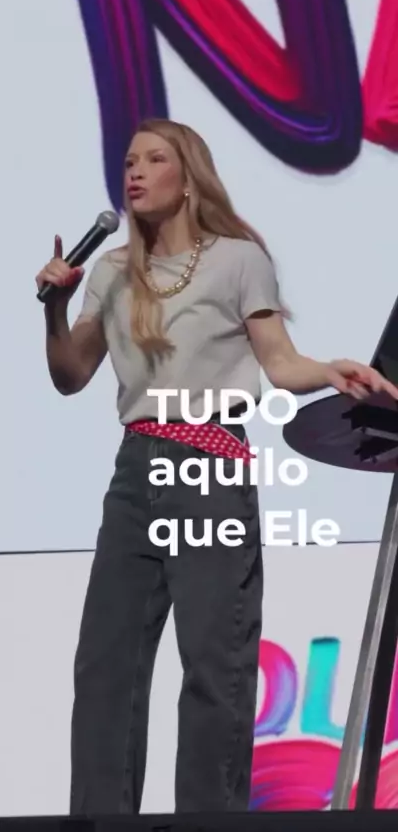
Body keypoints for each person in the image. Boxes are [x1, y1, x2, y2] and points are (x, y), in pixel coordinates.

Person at [35, 118, 398, 815]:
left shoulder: (237, 259)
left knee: (214, 662)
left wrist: (330, 370)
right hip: (136, 469)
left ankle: (210, 818)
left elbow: (280, 363)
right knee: (106, 663)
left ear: (187, 176)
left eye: (153, 160)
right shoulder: (110, 270)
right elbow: (70, 374)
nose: (135, 172)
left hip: (209, 461)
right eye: (129, 162)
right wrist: (54, 310)